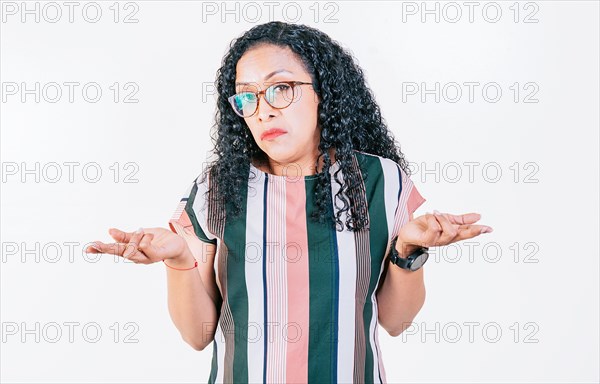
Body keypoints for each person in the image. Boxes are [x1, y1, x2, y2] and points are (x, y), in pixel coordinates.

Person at [86, 21, 493, 384]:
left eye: (280, 88)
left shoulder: (379, 182)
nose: (262, 111)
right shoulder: (217, 187)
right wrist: (178, 261)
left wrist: (409, 249)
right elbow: (197, 335)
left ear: (324, 91)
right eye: (247, 97)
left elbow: (396, 321)